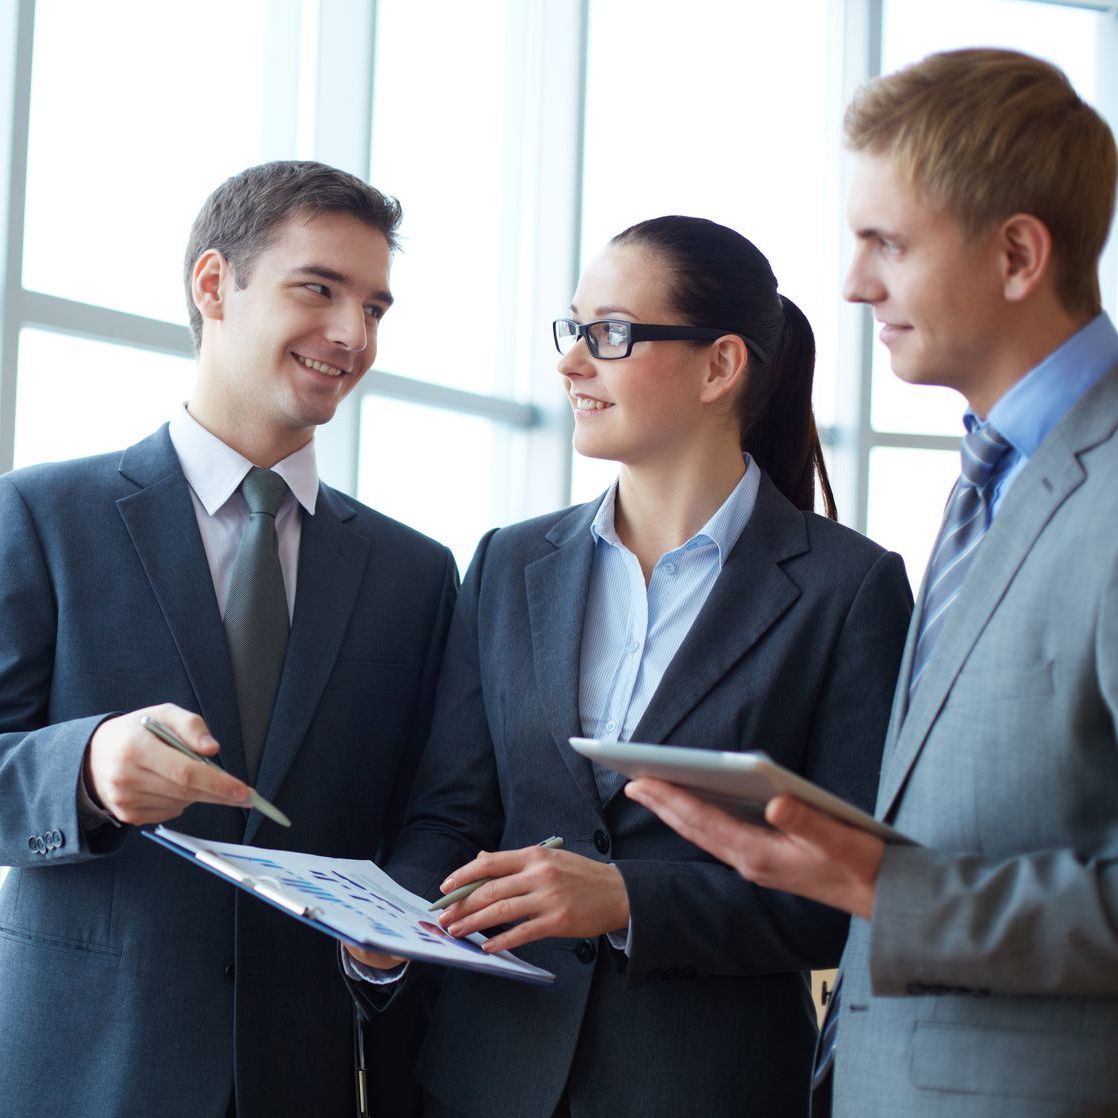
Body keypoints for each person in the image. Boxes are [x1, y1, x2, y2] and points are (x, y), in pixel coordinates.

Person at [627, 48, 1118, 1118]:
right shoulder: (991, 472)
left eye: (885, 243)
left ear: (1017, 254)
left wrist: (881, 887)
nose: (850, 284)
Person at [349, 215, 912, 1117]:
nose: (573, 363)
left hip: (706, 1089)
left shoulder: (848, 588)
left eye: (609, 335)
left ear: (721, 366)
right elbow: (452, 813)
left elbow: (848, 892)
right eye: (573, 332)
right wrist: (386, 925)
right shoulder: (507, 562)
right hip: (483, 1080)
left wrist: (627, 899)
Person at [0, 161, 457, 1117]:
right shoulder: (42, 516)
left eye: (375, 307)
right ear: (215, 286)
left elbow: (435, 810)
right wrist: (84, 766)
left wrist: (400, 924)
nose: (353, 334)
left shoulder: (414, 573)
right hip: (84, 1069)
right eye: (318, 290)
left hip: (306, 1073)